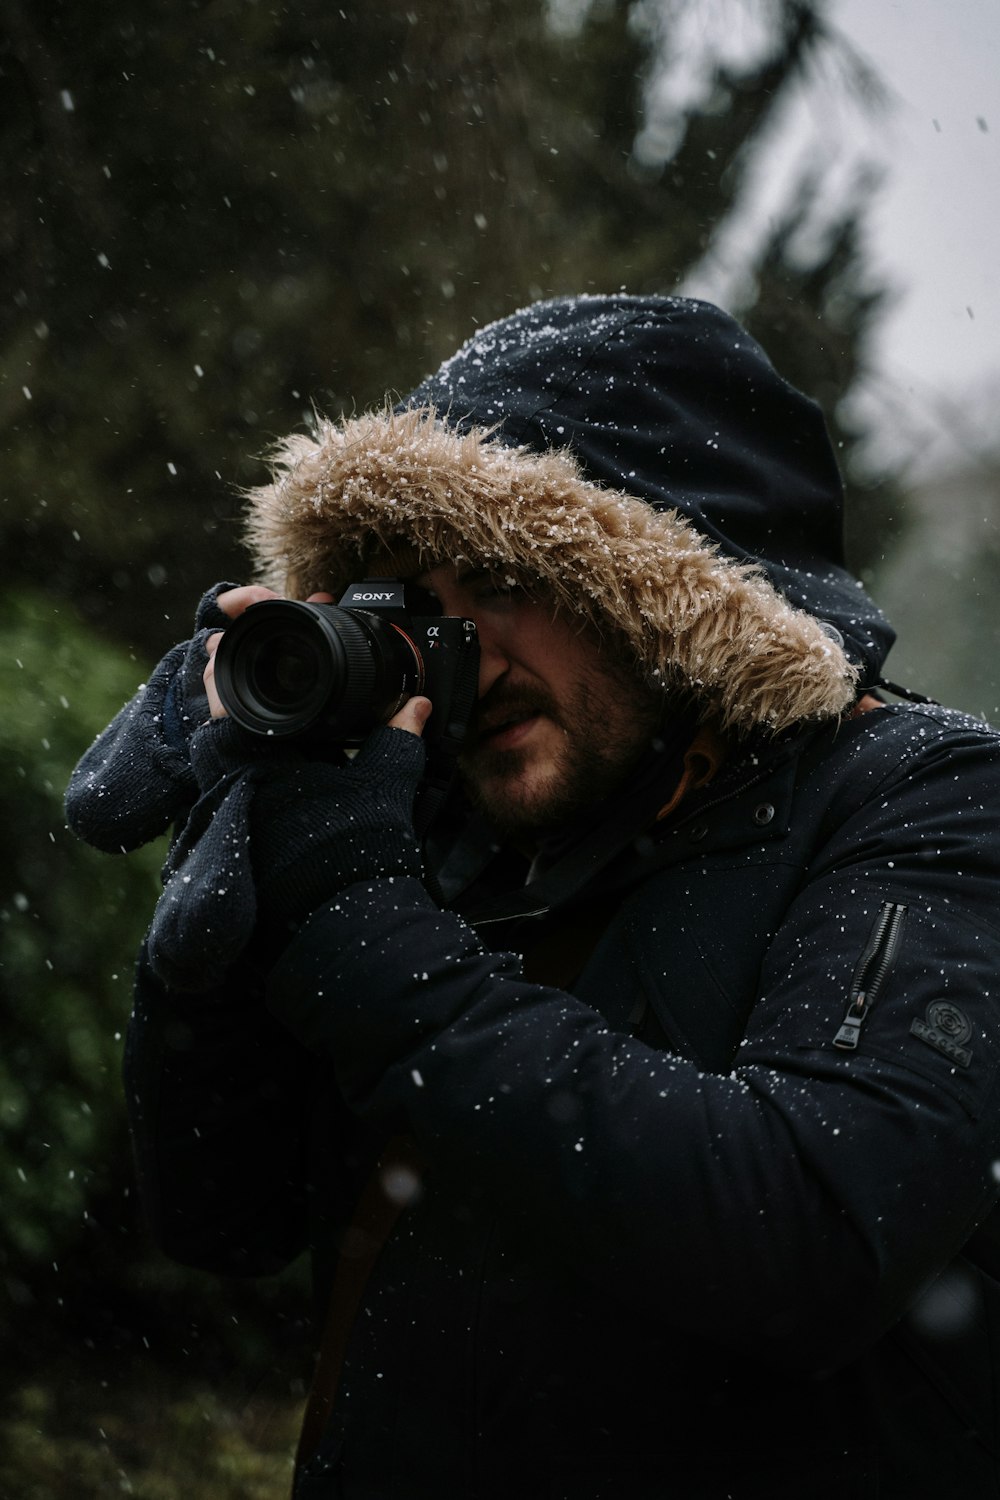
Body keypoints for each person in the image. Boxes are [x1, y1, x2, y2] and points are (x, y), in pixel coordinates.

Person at [66, 295, 1000, 1499]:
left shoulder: (922, 800)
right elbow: (222, 1221)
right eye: (409, 595)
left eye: (503, 577)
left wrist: (359, 926)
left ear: (664, 587)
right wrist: (219, 938)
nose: (459, 650)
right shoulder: (426, 822)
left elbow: (807, 1238)